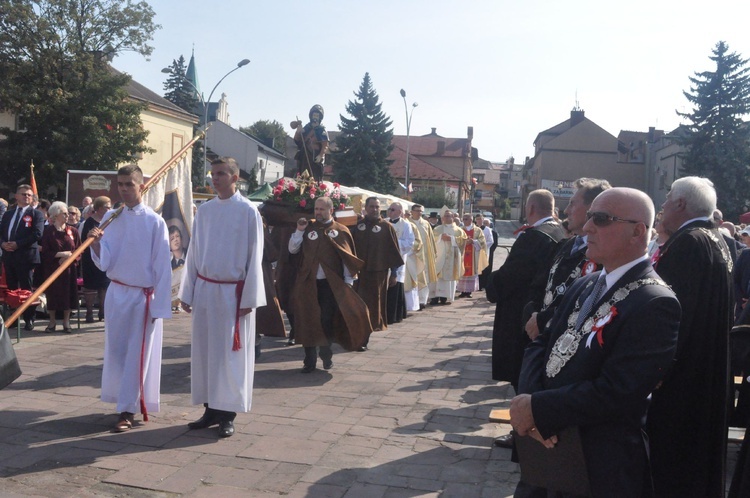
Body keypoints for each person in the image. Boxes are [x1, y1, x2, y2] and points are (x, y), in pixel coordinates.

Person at [510, 187, 680, 496]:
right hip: (547, 454)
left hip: (598, 467)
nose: (587, 227)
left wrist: (540, 408)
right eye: (589, 217)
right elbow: (542, 343)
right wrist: (530, 404)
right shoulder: (585, 283)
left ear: (637, 232)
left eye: (600, 219)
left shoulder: (655, 302)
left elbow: (619, 391)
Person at [648, 176, 733, 497]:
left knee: (674, 465)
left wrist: (655, 369)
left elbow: (668, 314)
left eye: (668, 198)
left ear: (682, 204)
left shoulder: (687, 243)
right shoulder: (717, 240)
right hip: (708, 368)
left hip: (683, 376)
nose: (664, 205)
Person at [179, 157, 266, 438]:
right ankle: (210, 409)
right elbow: (194, 253)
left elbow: (256, 256)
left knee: (229, 355)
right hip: (206, 289)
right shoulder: (204, 211)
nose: (214, 178)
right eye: (212, 174)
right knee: (206, 352)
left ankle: (227, 413)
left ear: (235, 177)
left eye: (220, 174)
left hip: (233, 292)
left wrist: (249, 297)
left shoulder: (248, 211)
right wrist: (188, 291)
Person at [89, 164, 171, 433]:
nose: (124, 189)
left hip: (142, 296)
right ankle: (119, 399)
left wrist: (160, 305)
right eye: (120, 184)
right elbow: (105, 262)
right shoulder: (111, 217)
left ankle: (128, 409)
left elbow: (162, 265)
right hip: (117, 292)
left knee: (138, 354)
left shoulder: (153, 221)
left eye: (129, 184)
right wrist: (97, 242)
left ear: (141, 186)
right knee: (117, 351)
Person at [491, 189, 564, 391]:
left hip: (522, 316)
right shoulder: (560, 231)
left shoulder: (533, 237)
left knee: (522, 378)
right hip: (542, 312)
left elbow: (511, 276)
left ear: (530, 208)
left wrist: (490, 281)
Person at [288, 196, 371, 372]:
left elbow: (346, 258)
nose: (318, 212)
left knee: (326, 320)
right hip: (307, 283)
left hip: (330, 285)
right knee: (307, 320)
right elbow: (292, 249)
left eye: (321, 209)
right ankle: (309, 361)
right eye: (316, 209)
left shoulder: (340, 230)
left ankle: (326, 354)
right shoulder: (307, 228)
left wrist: (348, 283)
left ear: (330, 210)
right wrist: (299, 231)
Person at [352, 197, 402, 348]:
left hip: (377, 274)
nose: (375, 209)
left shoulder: (387, 227)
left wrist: (394, 274)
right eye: (372, 206)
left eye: (377, 207)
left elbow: (393, 252)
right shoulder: (356, 226)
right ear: (366, 208)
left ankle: (365, 337)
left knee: (373, 305)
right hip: (358, 273)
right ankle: (356, 334)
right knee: (357, 304)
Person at [0, 184, 45, 331]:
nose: (26, 197)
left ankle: (29, 319)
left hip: (26, 257)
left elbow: (37, 234)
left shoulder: (36, 214)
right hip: (9, 256)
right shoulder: (8, 214)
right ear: (16, 196)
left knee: (26, 289)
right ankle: (13, 318)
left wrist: (17, 244)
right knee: (12, 289)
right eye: (23, 194)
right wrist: (3, 244)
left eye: (29, 195)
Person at [40, 202, 81, 334]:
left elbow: (80, 249)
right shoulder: (48, 231)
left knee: (69, 294)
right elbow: (44, 251)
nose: (67, 215)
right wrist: (60, 255)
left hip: (69, 269)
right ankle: (52, 322)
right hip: (53, 268)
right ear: (56, 215)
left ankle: (66, 321)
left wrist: (70, 257)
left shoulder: (73, 231)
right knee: (52, 294)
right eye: (64, 213)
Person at [81, 196, 111, 323]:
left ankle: (103, 311)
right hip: (90, 258)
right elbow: (84, 240)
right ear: (99, 208)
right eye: (106, 207)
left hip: (104, 256)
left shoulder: (110, 221)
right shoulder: (90, 222)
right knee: (90, 286)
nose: (109, 209)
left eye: (110, 207)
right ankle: (89, 312)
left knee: (104, 286)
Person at [429, 211, 467, 305]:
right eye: (445, 216)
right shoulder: (437, 229)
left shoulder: (458, 230)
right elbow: (431, 240)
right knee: (436, 277)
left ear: (453, 217)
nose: (446, 218)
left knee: (448, 277)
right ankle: (434, 297)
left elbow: (463, 241)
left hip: (451, 258)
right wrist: (441, 237)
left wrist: (451, 238)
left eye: (448, 216)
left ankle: (445, 297)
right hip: (439, 257)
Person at [386, 202, 415, 324]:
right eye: (389, 209)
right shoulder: (385, 222)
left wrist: (394, 242)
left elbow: (410, 243)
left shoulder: (406, 225)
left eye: (392, 209)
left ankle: (394, 315)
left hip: (398, 259)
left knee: (395, 285)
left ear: (400, 211)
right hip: (384, 259)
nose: (390, 211)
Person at [409, 204, 438, 310]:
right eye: (417, 211)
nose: (419, 213)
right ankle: (412, 301)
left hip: (424, 255)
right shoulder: (407, 223)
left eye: (421, 211)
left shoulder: (426, 223)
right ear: (412, 211)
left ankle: (422, 301)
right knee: (413, 276)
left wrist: (434, 253)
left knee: (424, 276)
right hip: (412, 255)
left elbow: (431, 239)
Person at [291, 104, 329, 181]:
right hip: (305, 154)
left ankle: (315, 187)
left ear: (320, 117)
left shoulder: (322, 130)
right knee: (303, 171)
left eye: (317, 115)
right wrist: (298, 132)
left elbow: (325, 145)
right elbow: (297, 140)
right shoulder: (306, 128)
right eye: (314, 115)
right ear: (311, 116)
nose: (315, 117)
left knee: (315, 174)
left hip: (315, 155)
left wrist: (320, 155)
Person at [456, 213, 488, 298]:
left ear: (471, 220)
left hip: (473, 255)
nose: (464, 221)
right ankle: (462, 291)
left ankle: (469, 291)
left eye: (466, 219)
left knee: (472, 272)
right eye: (463, 219)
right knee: (462, 272)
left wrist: (473, 241)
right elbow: (456, 240)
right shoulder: (460, 229)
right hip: (463, 254)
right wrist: (464, 242)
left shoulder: (477, 230)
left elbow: (482, 241)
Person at [477, 215, 496, 290]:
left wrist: (482, 246)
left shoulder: (487, 229)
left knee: (482, 269)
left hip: (483, 251)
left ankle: (481, 285)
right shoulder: (475, 228)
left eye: (480, 219)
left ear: (482, 220)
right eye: (477, 219)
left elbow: (491, 241)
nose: (479, 221)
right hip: (475, 251)